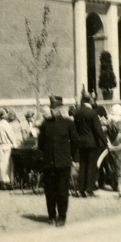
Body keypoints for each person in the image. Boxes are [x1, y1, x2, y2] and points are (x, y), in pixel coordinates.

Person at [37, 96, 79, 227]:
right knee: (49, 191)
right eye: (52, 108)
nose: (54, 110)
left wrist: (75, 159)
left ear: (61, 108)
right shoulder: (45, 124)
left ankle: (62, 216)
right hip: (49, 163)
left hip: (64, 163)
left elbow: (75, 142)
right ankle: (51, 215)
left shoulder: (68, 123)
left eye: (56, 108)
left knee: (62, 191)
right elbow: (41, 143)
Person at [73, 94, 107, 198]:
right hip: (92, 143)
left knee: (83, 165)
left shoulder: (77, 113)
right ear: (90, 101)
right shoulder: (92, 113)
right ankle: (89, 189)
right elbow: (98, 130)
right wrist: (106, 142)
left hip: (81, 142)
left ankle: (81, 189)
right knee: (91, 166)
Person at [0, 108, 19, 190]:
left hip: (0, 146)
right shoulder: (6, 125)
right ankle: (8, 182)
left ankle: (2, 182)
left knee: (1, 165)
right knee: (8, 165)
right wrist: (15, 144)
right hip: (7, 146)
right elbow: (11, 135)